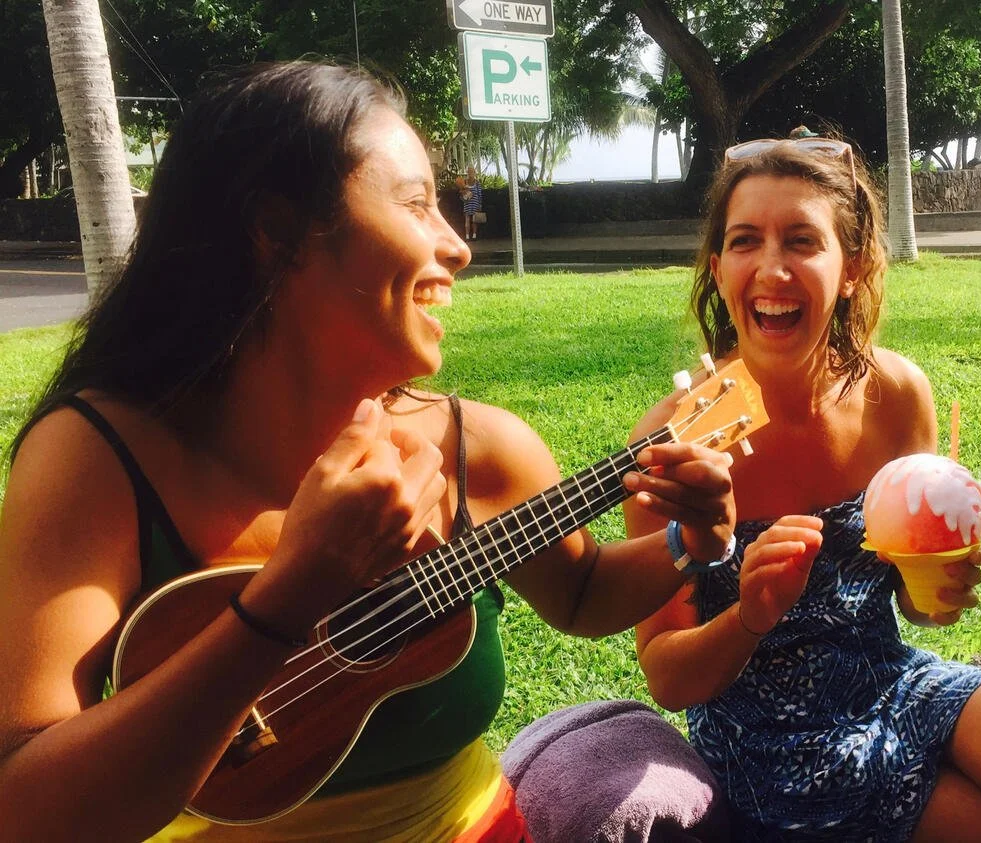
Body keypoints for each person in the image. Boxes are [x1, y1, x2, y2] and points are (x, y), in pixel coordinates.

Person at [0, 61, 735, 842]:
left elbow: (582, 591)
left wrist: (689, 543)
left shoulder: (472, 445)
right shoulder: (98, 458)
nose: (457, 248)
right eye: (418, 204)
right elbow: (26, 810)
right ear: (278, 235)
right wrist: (290, 594)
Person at [625, 137, 981, 841]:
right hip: (769, 742)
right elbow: (666, 675)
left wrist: (939, 585)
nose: (771, 268)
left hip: (894, 681)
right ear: (718, 270)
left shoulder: (895, 394)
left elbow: (910, 604)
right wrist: (749, 614)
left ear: (852, 268)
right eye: (746, 241)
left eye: (802, 240)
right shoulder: (675, 443)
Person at [461, 165, 484, 241]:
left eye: (472, 172)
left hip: (475, 203)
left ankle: (474, 235)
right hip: (467, 202)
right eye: (469, 171)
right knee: (467, 219)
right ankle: (467, 236)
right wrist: (464, 192)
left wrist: (480, 204)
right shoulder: (464, 182)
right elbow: (461, 192)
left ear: (474, 173)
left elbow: (479, 194)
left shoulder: (477, 183)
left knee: (474, 220)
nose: (470, 173)